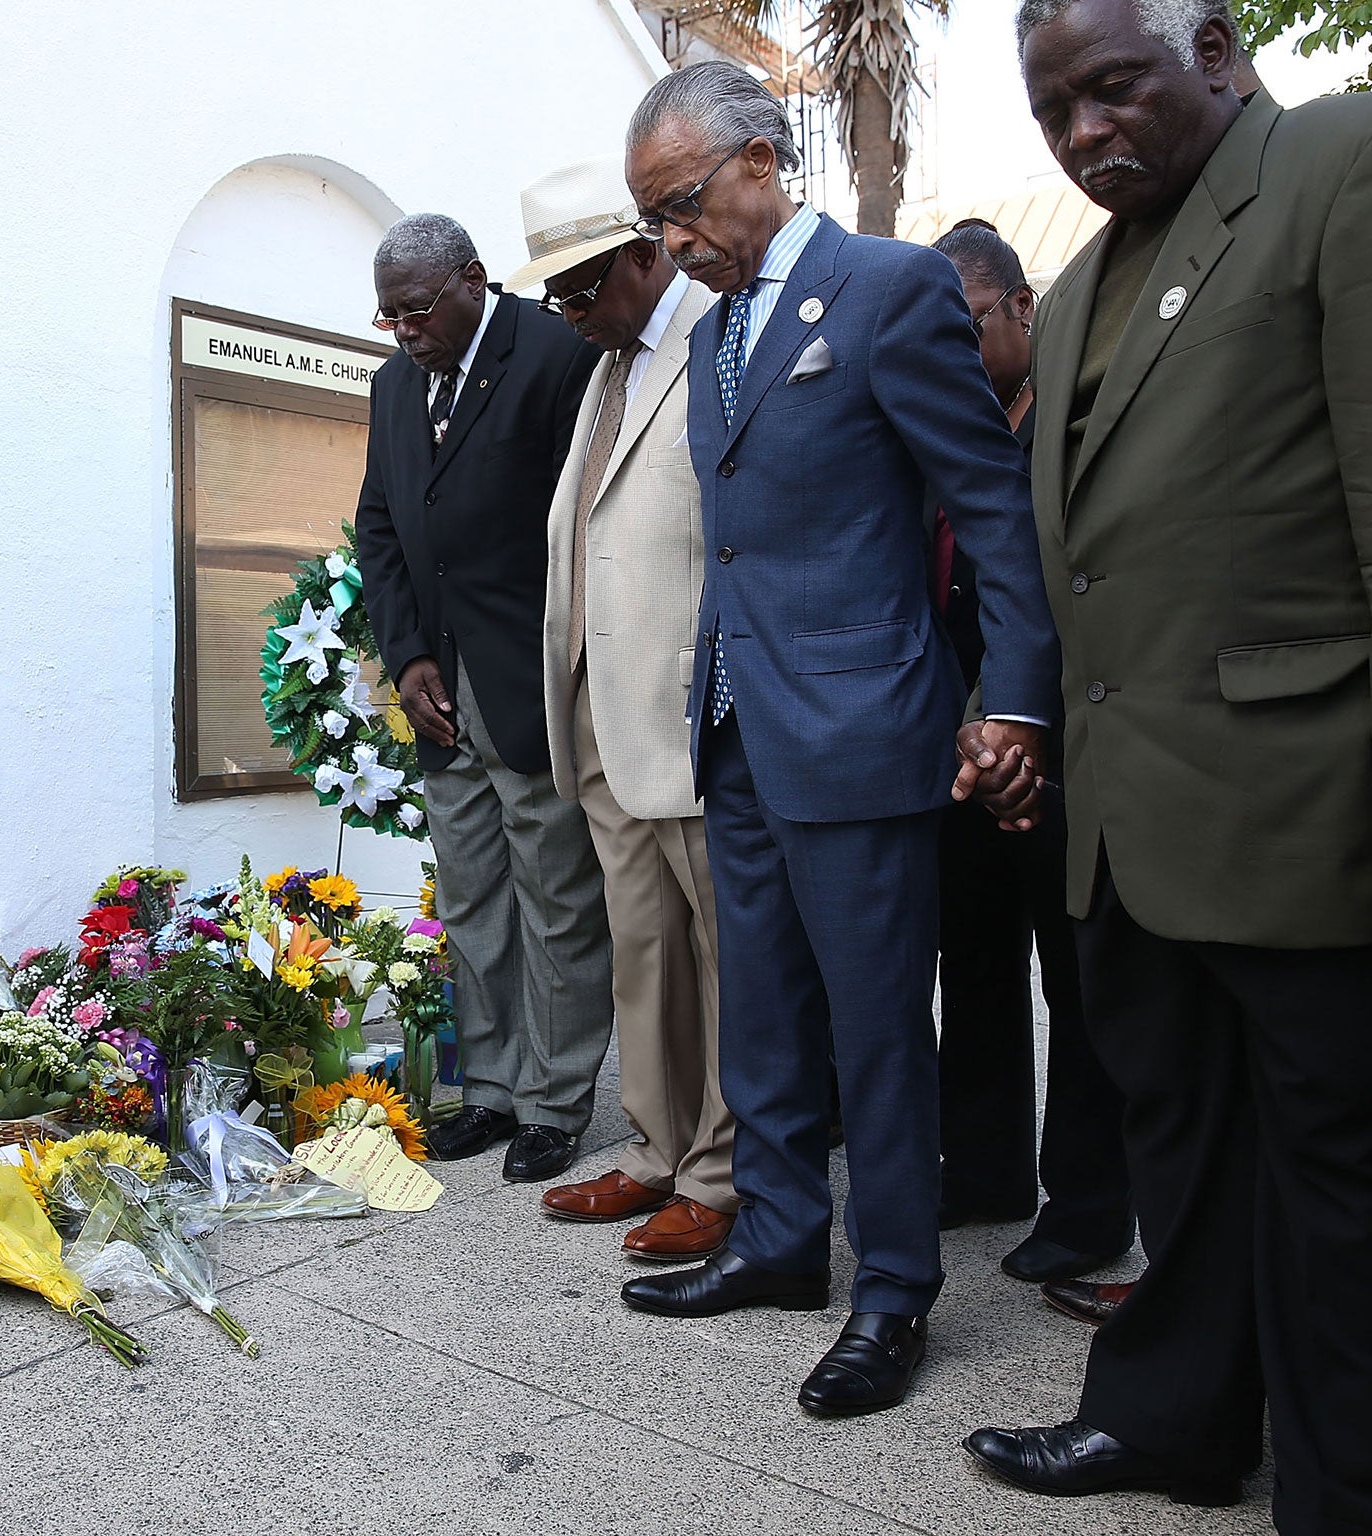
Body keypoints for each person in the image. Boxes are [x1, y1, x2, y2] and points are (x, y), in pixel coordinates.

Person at [961, 3, 1372, 1527]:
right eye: (1054, 112)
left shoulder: (1334, 165)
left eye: (1111, 87)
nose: (1082, 135)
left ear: (1214, 46)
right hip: (1130, 825)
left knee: (1338, 1197)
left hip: (1303, 810)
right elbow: (1081, 560)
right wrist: (1031, 724)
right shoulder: (1077, 290)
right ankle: (1173, 1423)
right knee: (1183, 1156)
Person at [615, 62, 1062, 1420]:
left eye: (684, 207)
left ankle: (894, 1294)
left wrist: (1014, 697)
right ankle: (775, 1241)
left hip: (866, 727)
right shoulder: (708, 337)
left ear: (763, 158)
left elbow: (988, 508)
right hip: (740, 726)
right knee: (765, 1016)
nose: (675, 244)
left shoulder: (887, 287)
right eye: (657, 225)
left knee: (876, 1030)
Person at [354, 213, 614, 1182]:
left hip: (525, 681)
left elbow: (582, 527)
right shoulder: (390, 387)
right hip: (434, 689)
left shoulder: (552, 354)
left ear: (471, 280)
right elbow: (378, 527)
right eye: (386, 317)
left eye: (414, 310)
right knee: (470, 897)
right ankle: (494, 1091)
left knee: (554, 897)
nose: (401, 333)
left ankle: (554, 1101)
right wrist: (407, 655)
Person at [506, 156, 735, 1260]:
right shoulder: (604, 367)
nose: (566, 314)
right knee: (640, 948)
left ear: (644, 256)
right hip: (597, 715)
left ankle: (723, 1172)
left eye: (581, 289)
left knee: (719, 960)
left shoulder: (719, 337)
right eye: (553, 296)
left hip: (686, 715)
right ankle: (655, 1150)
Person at [929, 220, 1134, 1284]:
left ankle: (1088, 1206)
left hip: (1056, 745)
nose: (955, 350)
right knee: (971, 962)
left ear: (1018, 305)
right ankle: (984, 1168)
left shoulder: (1071, 412)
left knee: (1077, 978)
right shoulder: (943, 424)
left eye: (968, 325)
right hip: (956, 750)